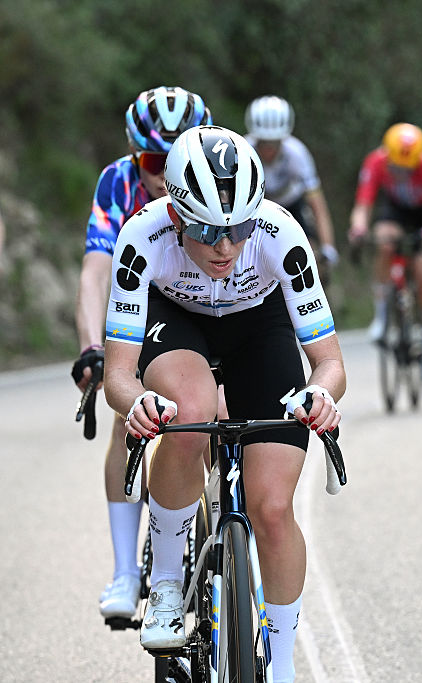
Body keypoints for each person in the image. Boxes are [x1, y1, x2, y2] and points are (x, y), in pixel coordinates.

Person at [103, 126, 345, 683]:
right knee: (189, 411)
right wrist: (138, 401)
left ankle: (281, 665)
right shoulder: (143, 235)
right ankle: (166, 583)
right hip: (177, 320)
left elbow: (329, 364)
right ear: (176, 213)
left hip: (260, 329)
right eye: (208, 229)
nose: (225, 248)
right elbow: (119, 374)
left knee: (273, 510)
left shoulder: (280, 231)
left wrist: (322, 395)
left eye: (237, 229)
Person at [72, 86, 211, 622]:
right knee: (125, 417)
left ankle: (227, 531)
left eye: (174, 157)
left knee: (220, 412)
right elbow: (95, 270)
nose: (162, 172)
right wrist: (91, 347)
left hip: (206, 305)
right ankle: (126, 571)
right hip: (140, 307)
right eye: (153, 159)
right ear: (136, 156)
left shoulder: (220, 174)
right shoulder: (117, 182)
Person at [348, 122, 422, 380]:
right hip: (395, 209)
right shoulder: (375, 161)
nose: (402, 174)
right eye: (396, 169)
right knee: (384, 241)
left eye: (408, 170)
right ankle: (382, 313)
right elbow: (363, 204)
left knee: (421, 267)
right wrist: (359, 228)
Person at [245, 95, 339, 273]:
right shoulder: (243, 149)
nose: (269, 149)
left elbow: (317, 205)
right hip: (256, 206)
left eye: (275, 142)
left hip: (291, 206)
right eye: (263, 142)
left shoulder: (297, 154)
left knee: (310, 255)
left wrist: (328, 247)